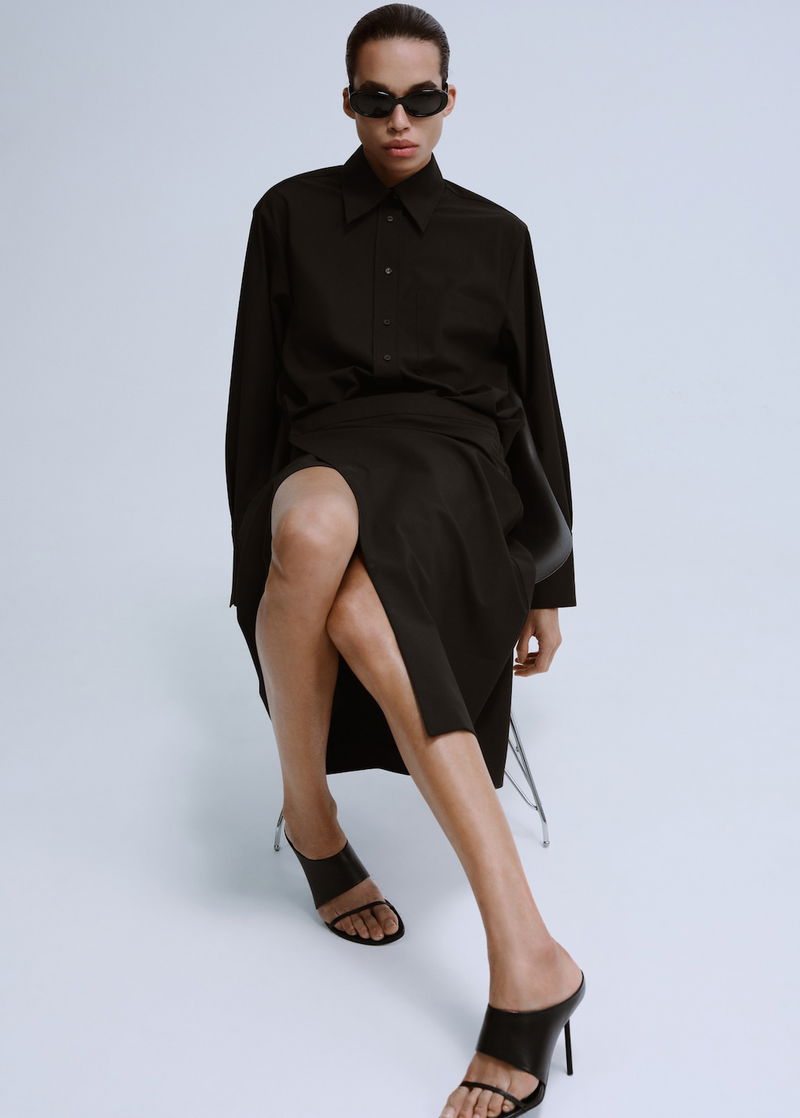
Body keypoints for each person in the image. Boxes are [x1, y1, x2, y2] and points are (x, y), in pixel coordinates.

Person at [224, 5, 585, 1116]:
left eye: (420, 99)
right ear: (347, 101)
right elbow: (253, 396)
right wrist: (249, 553)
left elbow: (533, 404)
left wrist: (547, 580)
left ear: (448, 100)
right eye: (376, 99)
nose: (398, 121)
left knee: (362, 616)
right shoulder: (287, 214)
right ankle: (315, 819)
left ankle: (519, 949)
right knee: (304, 534)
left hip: (454, 470)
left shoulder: (496, 234)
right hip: (328, 451)